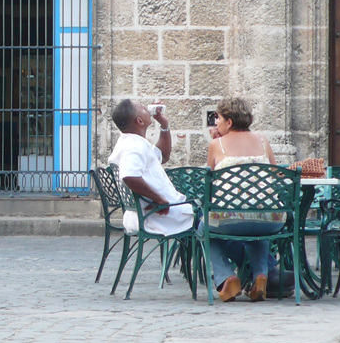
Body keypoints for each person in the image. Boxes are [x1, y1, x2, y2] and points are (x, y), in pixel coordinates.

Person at [204, 97, 286, 303]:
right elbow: (276, 176)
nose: (216, 123)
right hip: (271, 220)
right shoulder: (262, 141)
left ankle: (226, 277)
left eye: (218, 118)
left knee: (204, 227)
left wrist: (218, 140)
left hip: (229, 219)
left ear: (229, 122)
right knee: (257, 222)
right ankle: (260, 275)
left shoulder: (216, 145)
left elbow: (209, 183)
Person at [107, 99, 195, 237]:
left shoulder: (130, 141)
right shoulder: (135, 146)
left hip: (147, 214)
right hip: (158, 216)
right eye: (143, 108)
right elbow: (128, 175)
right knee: (209, 221)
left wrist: (164, 125)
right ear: (140, 121)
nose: (147, 109)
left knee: (205, 218)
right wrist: (158, 199)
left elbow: (163, 156)